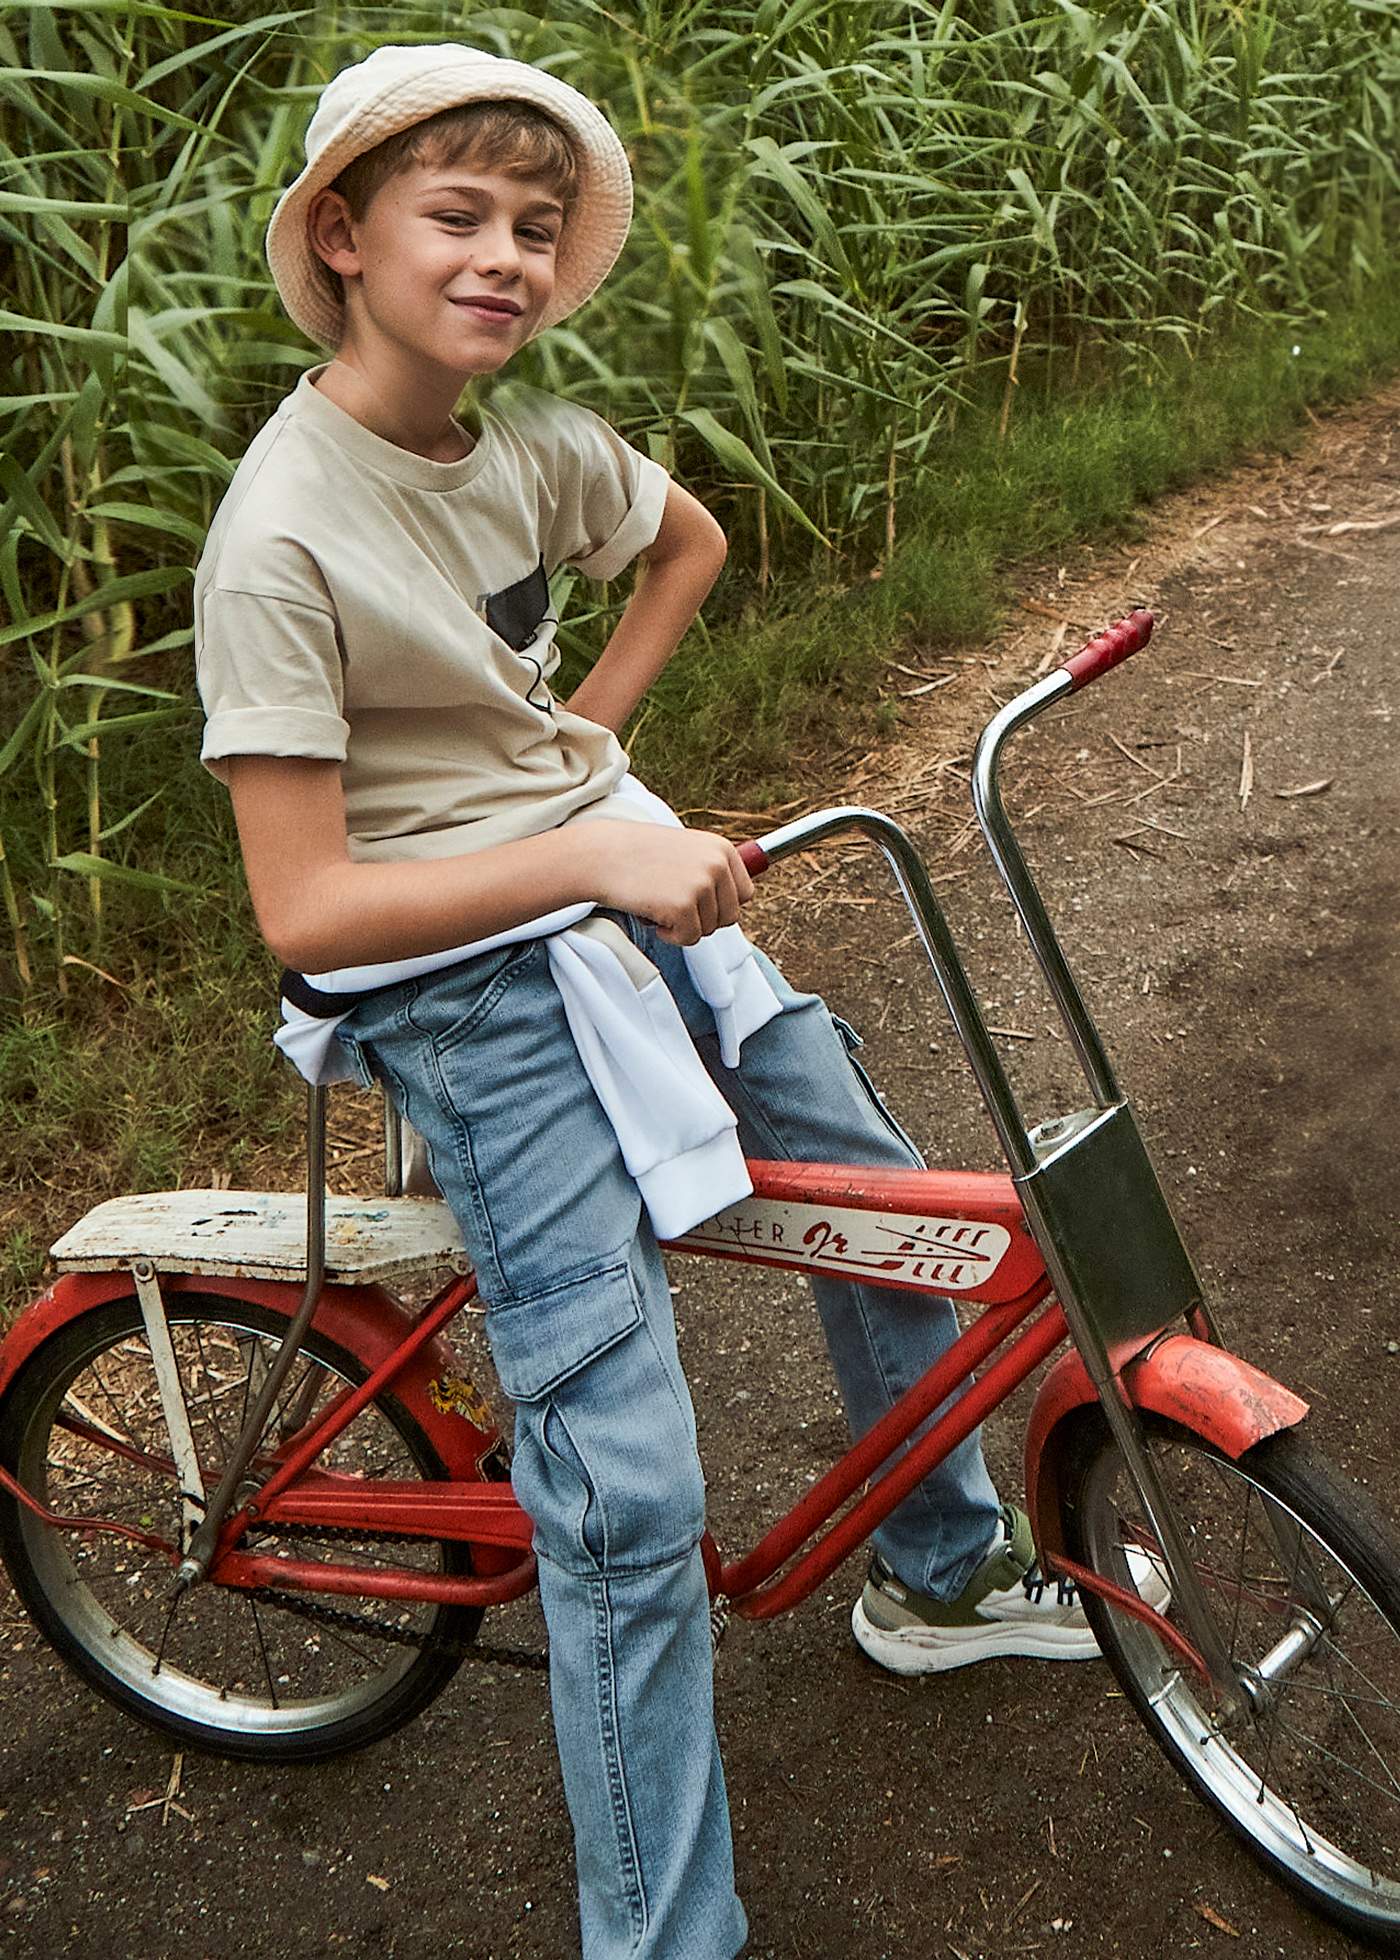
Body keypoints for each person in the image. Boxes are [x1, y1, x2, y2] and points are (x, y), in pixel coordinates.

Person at [192, 43, 1107, 1960]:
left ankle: (934, 1576)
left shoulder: (526, 449)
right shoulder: (280, 536)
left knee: (888, 1204)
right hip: (450, 990)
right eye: (458, 217)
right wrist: (590, 849)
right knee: (622, 1488)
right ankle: (662, 1935)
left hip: (593, 892)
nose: (508, 257)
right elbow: (310, 907)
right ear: (342, 238)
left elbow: (681, 540)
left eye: (536, 226)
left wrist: (581, 759)